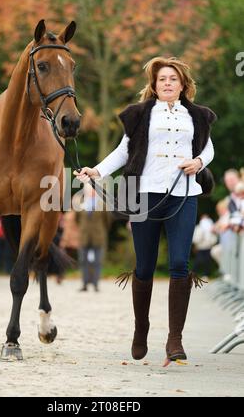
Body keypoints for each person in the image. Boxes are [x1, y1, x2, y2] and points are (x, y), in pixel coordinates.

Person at [74, 57, 216, 364]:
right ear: (154, 85)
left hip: (183, 194)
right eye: (163, 79)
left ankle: (175, 339)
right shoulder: (141, 115)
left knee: (180, 263)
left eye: (173, 79)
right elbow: (124, 151)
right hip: (144, 197)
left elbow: (208, 147)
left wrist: (199, 162)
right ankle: (141, 330)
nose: (167, 83)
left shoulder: (197, 116)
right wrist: (96, 171)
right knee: (144, 267)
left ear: (183, 85)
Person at [76, 184, 112, 292]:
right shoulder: (80, 204)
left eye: (93, 190)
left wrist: (101, 231)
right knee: (83, 261)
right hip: (84, 237)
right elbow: (77, 220)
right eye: (89, 190)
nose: (91, 192)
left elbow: (107, 221)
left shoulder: (103, 204)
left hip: (98, 237)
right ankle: (85, 284)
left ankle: (96, 284)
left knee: (97, 261)